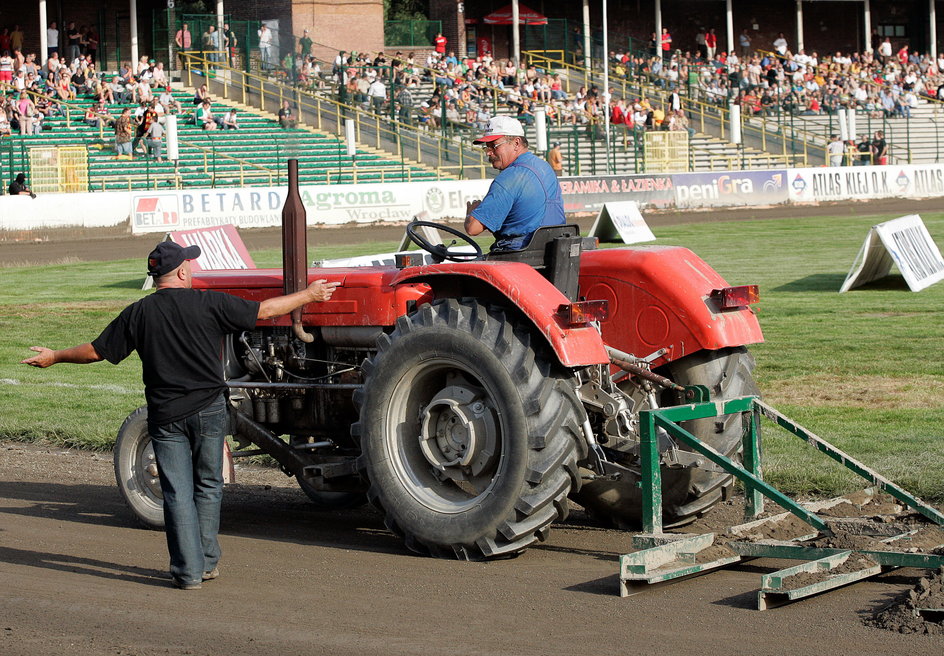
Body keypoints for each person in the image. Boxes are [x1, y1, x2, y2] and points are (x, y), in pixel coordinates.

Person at [21, 241, 339, 590]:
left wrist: (55, 356)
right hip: (209, 411)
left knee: (177, 493)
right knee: (208, 486)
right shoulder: (209, 302)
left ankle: (187, 572)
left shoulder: (138, 313)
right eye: (190, 264)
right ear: (183, 271)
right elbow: (265, 311)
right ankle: (206, 562)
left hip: (166, 416)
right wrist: (308, 295)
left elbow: (96, 352)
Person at [464, 116, 565, 252]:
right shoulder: (545, 167)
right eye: (486, 147)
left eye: (494, 145)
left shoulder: (509, 178)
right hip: (554, 253)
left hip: (518, 255)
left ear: (516, 143)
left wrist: (470, 214)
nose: (488, 152)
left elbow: (473, 229)